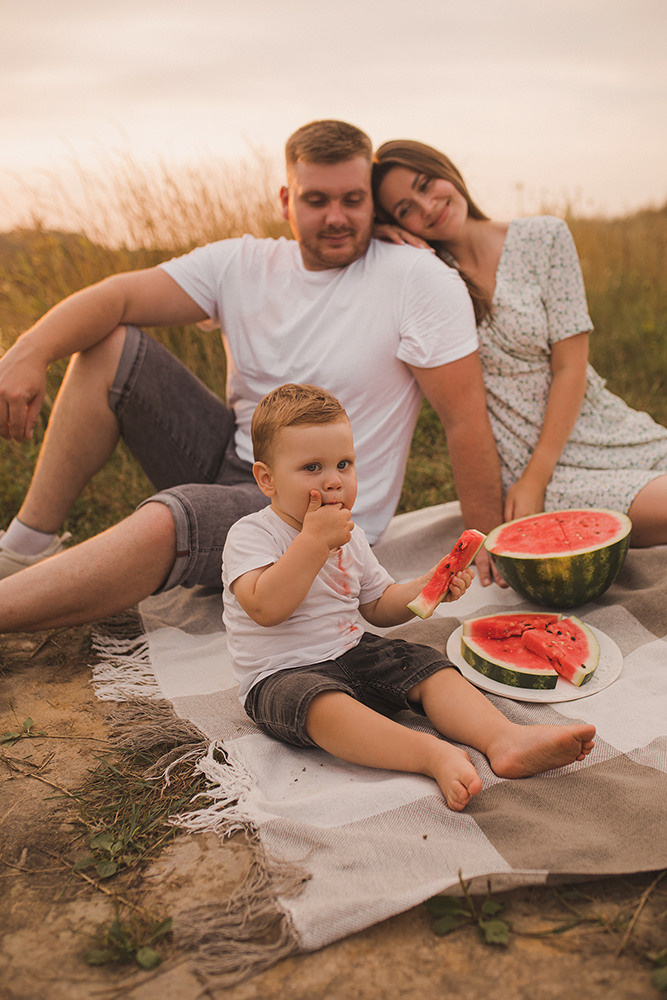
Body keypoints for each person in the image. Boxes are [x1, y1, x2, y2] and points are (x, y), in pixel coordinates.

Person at [0, 121, 507, 635]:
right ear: (286, 199)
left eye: (353, 200)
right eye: (316, 200)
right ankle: (24, 548)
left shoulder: (417, 278)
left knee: (170, 520)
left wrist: (485, 541)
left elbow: (463, 418)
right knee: (110, 343)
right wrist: (29, 353)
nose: (336, 218)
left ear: (371, 201)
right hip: (236, 458)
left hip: (313, 507)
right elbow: (119, 297)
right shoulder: (241, 262)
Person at [222, 383, 596, 812]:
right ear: (266, 479)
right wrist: (312, 543)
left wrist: (430, 584)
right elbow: (266, 608)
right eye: (311, 467)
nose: (333, 480)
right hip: (282, 674)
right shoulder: (251, 534)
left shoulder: (351, 536)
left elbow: (378, 605)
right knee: (322, 706)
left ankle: (503, 738)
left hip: (351, 650)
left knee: (429, 666)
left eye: (344, 464)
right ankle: (429, 754)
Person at [372, 140, 667, 547]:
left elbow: (571, 366)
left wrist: (536, 476)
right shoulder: (425, 276)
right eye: (404, 209)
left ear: (446, 169)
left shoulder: (544, 237)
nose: (427, 206)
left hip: (602, 430)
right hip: (533, 470)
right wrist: (377, 233)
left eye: (425, 184)